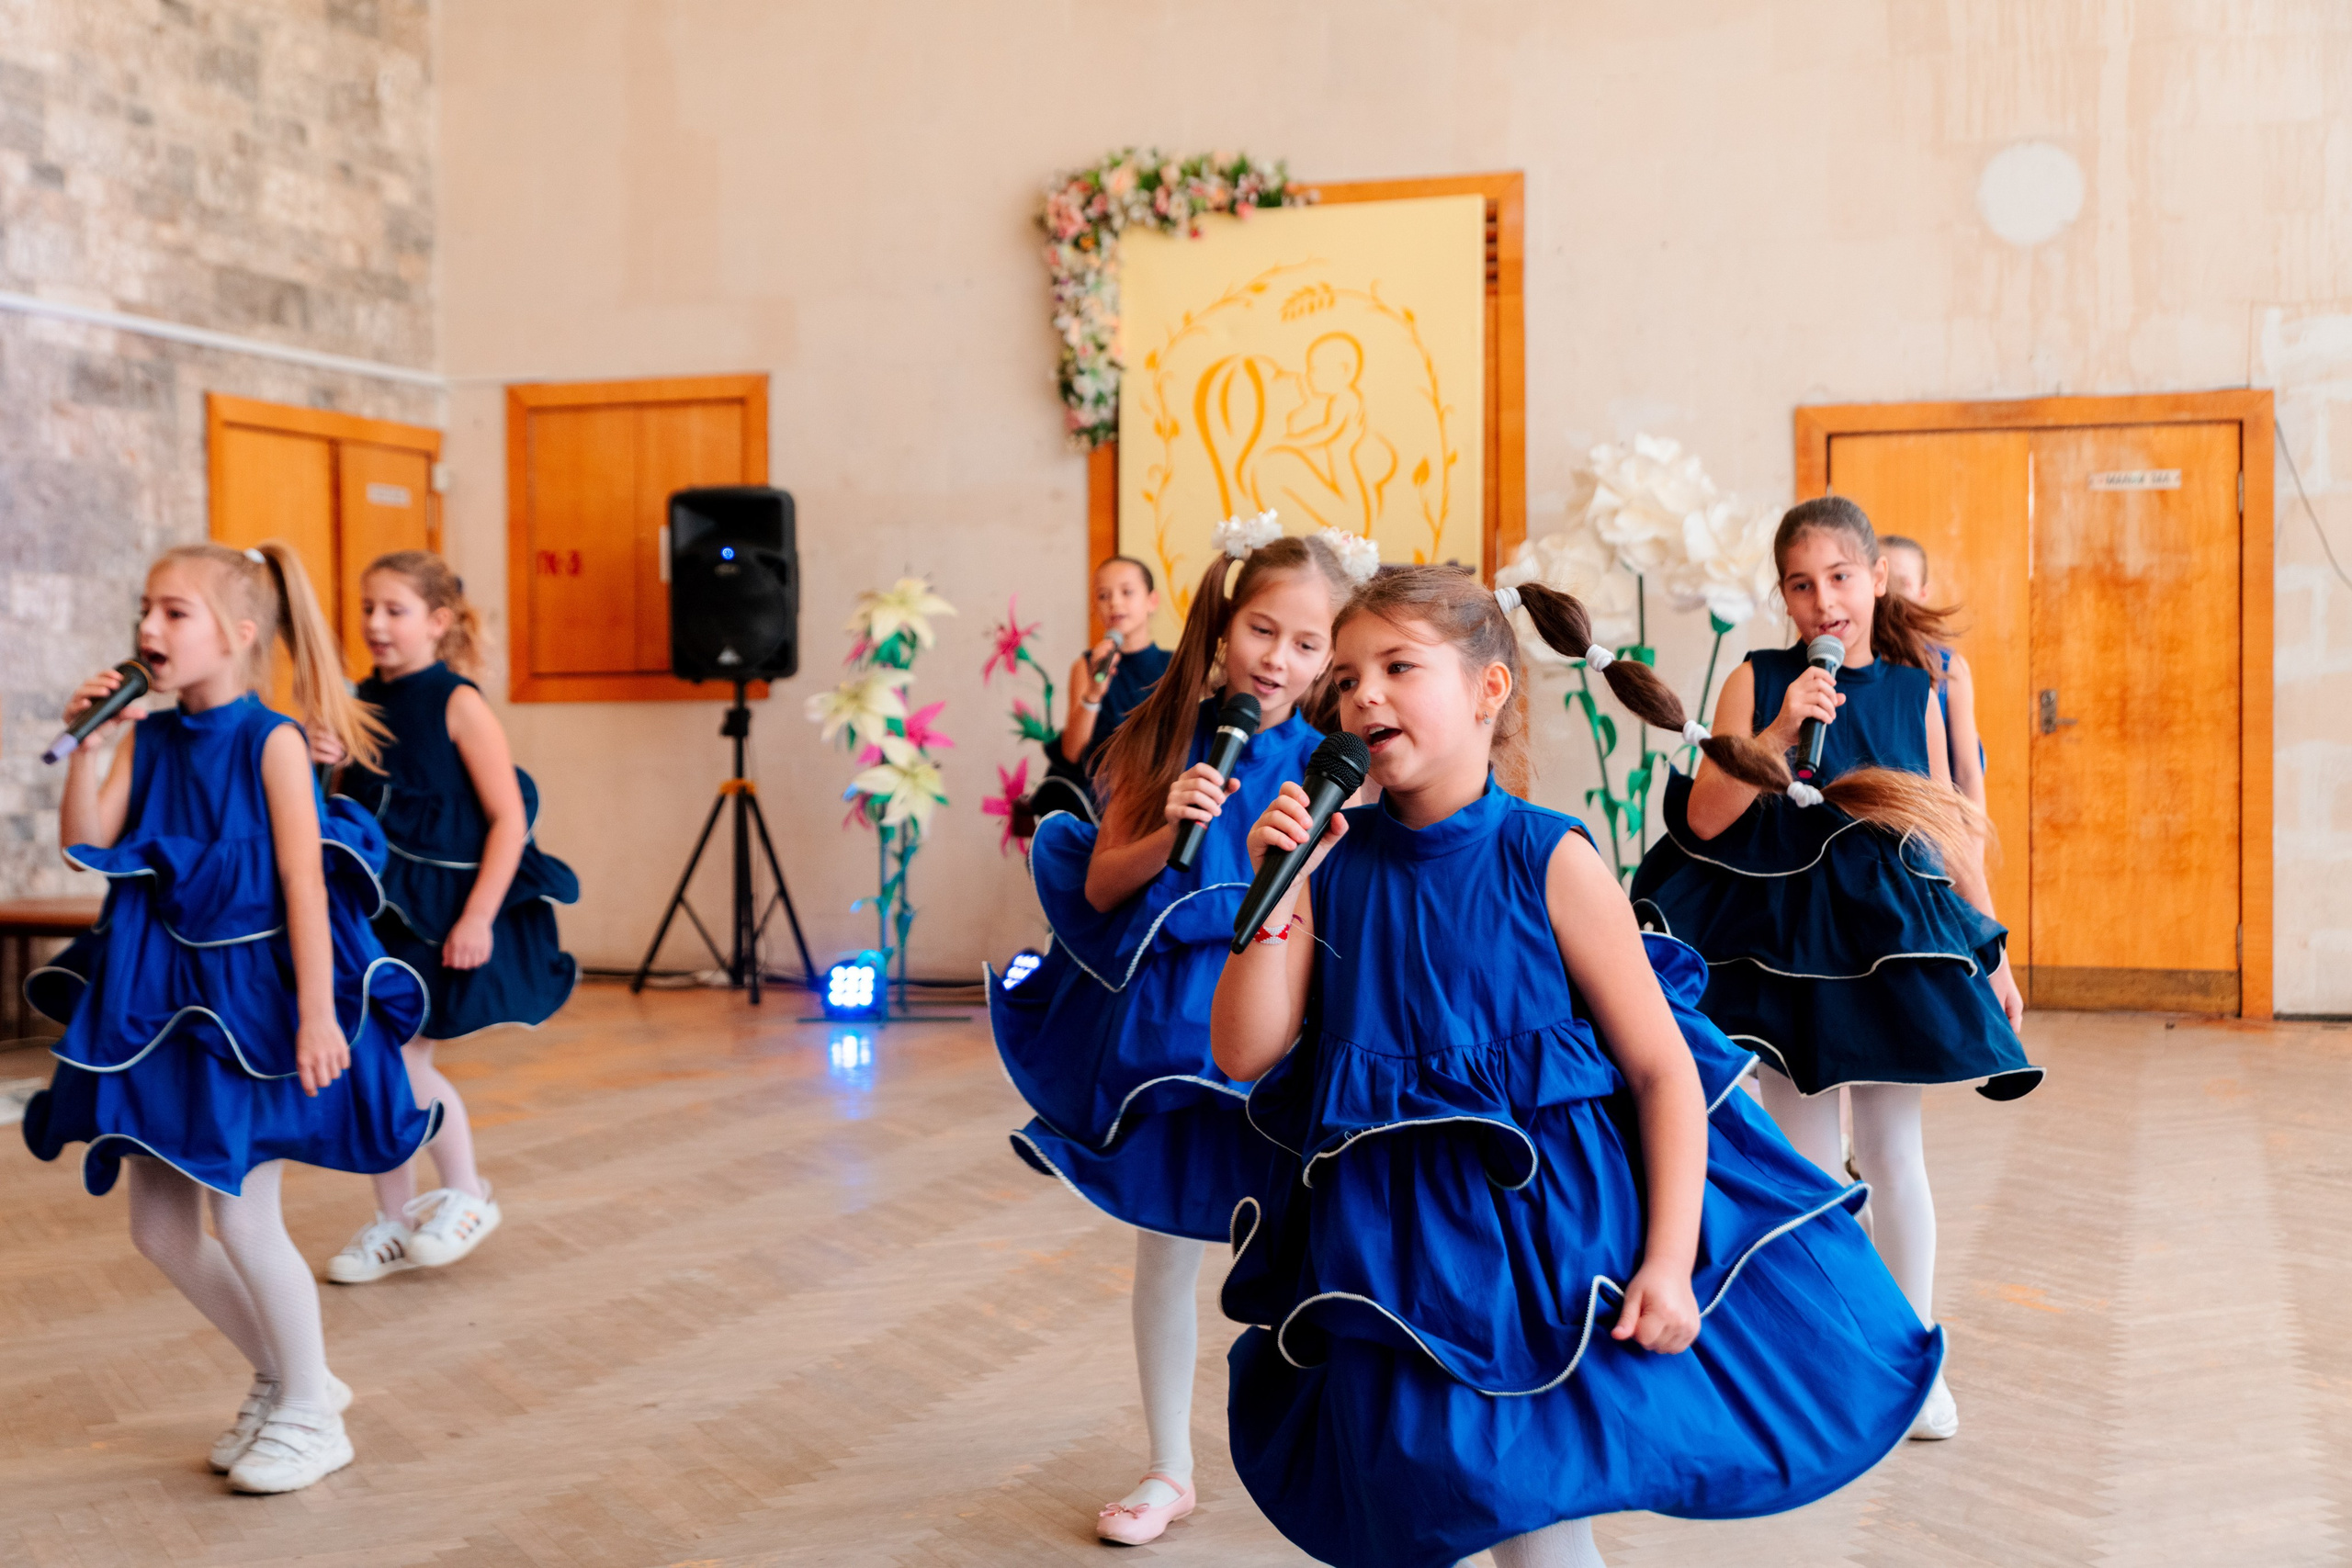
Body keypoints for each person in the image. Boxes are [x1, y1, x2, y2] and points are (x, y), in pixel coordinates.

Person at [1210, 566, 1941, 1568]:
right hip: (1389, 1250)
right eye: (1344, 679)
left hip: (1538, 1257)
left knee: (1535, 1521)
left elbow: (1662, 1071)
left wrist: (1668, 1262)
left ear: (1488, 689)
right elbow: (1243, 1048)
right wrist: (1281, 884)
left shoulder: (1546, 857)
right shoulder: (1332, 861)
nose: (1362, 695)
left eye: (1396, 667)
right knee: (1418, 1502)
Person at [22, 541, 440, 1494]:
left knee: (245, 1219)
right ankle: (290, 1378)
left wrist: (317, 1014)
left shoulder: (272, 740)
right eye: (145, 609)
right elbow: (86, 845)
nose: (148, 628)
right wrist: (89, 748)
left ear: (240, 633)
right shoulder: (147, 739)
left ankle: (311, 1413)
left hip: (247, 1010)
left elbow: (303, 880)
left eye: (174, 612)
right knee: (159, 1232)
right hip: (154, 1001)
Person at [1630, 496, 2041, 1445]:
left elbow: (1948, 829)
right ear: (1783, 595)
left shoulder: (1914, 688)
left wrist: (1992, 951)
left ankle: (1914, 1360)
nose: (1824, 602)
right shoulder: (1756, 677)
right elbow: (1705, 821)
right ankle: (1836, 1356)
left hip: (1890, 943)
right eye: (1802, 585)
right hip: (1783, 950)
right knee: (1808, 1163)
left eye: (1841, 578)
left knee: (1894, 1153)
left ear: (1877, 579)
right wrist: (1778, 732)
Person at [988, 519, 1365, 1546]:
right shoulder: (1158, 734)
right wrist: (1170, 829)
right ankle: (1168, 1467)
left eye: (1306, 643)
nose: (1277, 660)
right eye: (1262, 631)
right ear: (1224, 624)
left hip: (1283, 1032)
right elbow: (1100, 883)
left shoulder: (1338, 764)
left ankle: (1346, 1461)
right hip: (1169, 1036)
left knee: (1320, 1245)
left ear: (1331, 657)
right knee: (1165, 1250)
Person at [319, 551, 579, 1284]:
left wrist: (479, 917)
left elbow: (508, 819)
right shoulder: (356, 701)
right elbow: (347, 810)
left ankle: (467, 1193)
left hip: (438, 916)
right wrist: (325, 759)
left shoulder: (458, 703)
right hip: (373, 913)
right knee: (374, 1064)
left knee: (406, 1061)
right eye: (367, 608)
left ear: (437, 622)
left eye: (393, 610)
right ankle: (395, 1220)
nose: (375, 623)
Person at [1026, 554, 1168, 825]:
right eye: (1104, 596)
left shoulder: (1173, 666)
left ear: (1152, 601)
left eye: (1127, 592)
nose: (1114, 602)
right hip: (1092, 804)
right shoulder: (1085, 666)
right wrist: (1094, 692)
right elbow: (1072, 752)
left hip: (1151, 801)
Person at [1881, 535, 1985, 806]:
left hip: (1936, 817)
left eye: (1902, 584)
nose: (1889, 594)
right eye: (1882, 580)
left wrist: (1973, 833)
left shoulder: (1949, 667)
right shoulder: (1853, 662)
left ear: (1923, 593)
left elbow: (1968, 772)